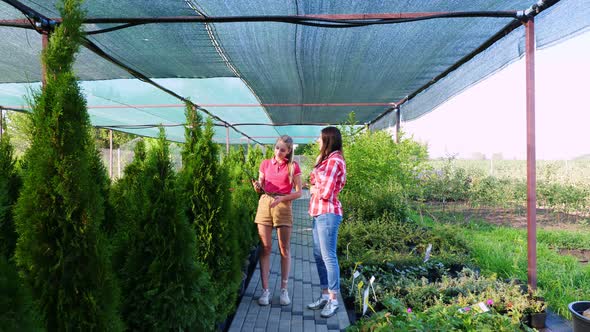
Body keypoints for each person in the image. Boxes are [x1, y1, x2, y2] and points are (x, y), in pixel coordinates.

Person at [253, 135, 302, 306]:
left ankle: (284, 289)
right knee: (265, 248)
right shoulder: (265, 164)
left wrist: (282, 199)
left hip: (283, 204)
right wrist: (257, 186)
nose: (278, 152)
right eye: (277, 148)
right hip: (265, 202)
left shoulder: (292, 167)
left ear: (289, 151)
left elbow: (299, 192)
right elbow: (261, 184)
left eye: (282, 149)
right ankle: (265, 291)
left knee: (284, 249)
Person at [306, 126, 346, 318]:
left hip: (328, 213)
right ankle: (324, 295)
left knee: (328, 256)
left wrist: (314, 189)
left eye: (320, 139)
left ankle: (333, 300)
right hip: (319, 213)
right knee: (318, 255)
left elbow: (325, 192)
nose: (317, 141)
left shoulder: (334, 161)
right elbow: (312, 179)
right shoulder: (326, 160)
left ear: (328, 140)